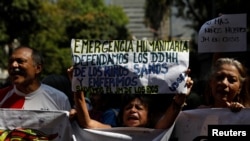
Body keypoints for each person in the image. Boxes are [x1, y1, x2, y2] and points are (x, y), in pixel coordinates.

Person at [68, 67, 193, 129]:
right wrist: (77, 89)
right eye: (128, 108)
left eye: (139, 108)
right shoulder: (112, 131)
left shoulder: (156, 132)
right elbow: (88, 123)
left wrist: (181, 96)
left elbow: (171, 114)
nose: (133, 110)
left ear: (149, 117)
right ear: (121, 116)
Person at [0, 46, 71, 111]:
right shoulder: (2, 96)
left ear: (38, 68)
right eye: (10, 61)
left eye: (20, 61)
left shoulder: (59, 99)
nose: (13, 65)